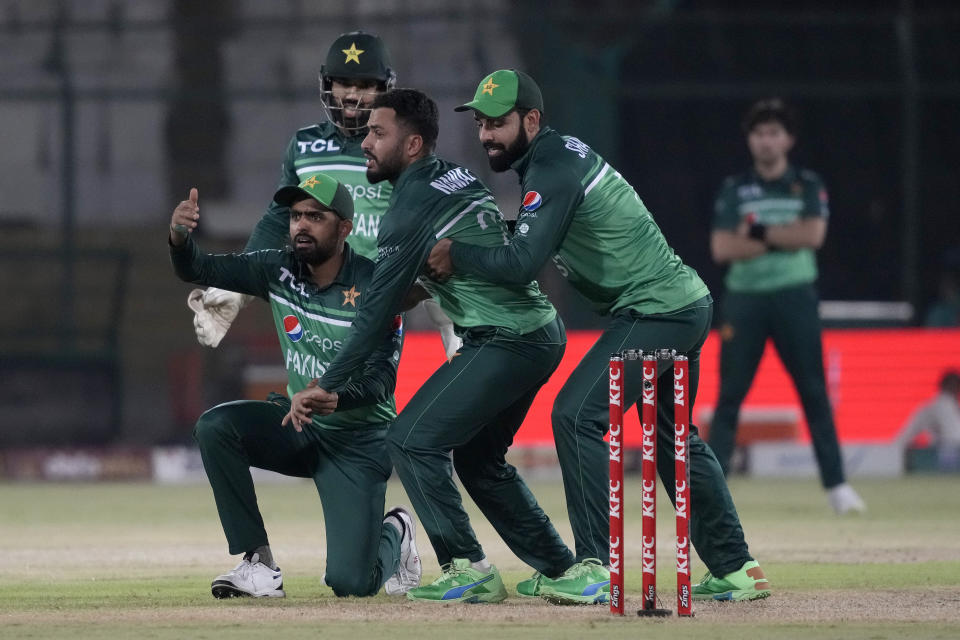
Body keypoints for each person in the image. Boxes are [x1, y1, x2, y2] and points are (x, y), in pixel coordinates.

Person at [429, 69, 771, 603]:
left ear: (532, 119)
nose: (486, 134)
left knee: (578, 414)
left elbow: (522, 264)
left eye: (497, 122)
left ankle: (596, 568)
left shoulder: (554, 166)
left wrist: (457, 253)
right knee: (672, 444)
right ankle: (737, 569)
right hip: (679, 306)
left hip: (658, 312)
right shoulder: (550, 158)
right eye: (480, 123)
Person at [312, 88, 610, 604]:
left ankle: (466, 566)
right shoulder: (456, 175)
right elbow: (425, 277)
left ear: (412, 145)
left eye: (378, 133)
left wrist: (328, 383)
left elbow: (378, 314)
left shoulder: (409, 207)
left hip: (507, 338)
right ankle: (562, 568)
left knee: (409, 438)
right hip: (537, 332)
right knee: (478, 460)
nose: (366, 142)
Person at [168, 172, 421, 599]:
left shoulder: (378, 284)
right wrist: (179, 238)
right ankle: (259, 564)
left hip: (357, 442)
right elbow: (200, 267)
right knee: (215, 427)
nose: (301, 225)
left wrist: (335, 398)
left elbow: (382, 380)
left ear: (344, 228)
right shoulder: (277, 267)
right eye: (296, 216)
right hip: (298, 424)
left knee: (352, 584)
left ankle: (395, 531)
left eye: (315, 216)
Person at [187, 30, 460, 359]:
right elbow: (276, 222)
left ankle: (465, 348)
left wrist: (450, 311)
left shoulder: (403, 144)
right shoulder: (304, 145)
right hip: (327, 296)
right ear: (327, 84)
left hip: (389, 290)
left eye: (364, 85)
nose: (352, 94)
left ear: (385, 88)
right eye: (343, 82)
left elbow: (434, 221)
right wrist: (234, 289)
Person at [708, 97, 866, 515]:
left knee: (813, 392)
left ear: (789, 139)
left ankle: (838, 487)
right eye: (759, 133)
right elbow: (723, 247)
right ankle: (714, 491)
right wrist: (783, 234)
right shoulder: (734, 188)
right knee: (730, 397)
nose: (767, 141)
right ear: (750, 139)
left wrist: (756, 231)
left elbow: (812, 237)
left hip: (795, 297)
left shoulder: (807, 184)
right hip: (744, 300)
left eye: (775, 132)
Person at [898, 370, 960, 472]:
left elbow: (902, 439)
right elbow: (955, 438)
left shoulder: (936, 407)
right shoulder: (940, 405)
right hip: (944, 460)